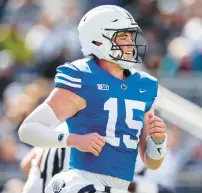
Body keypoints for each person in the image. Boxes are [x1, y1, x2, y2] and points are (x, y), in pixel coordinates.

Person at [18, 5, 167, 193]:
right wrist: (73, 140)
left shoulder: (144, 85)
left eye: (131, 36)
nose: (130, 43)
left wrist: (159, 141)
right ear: (98, 41)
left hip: (118, 187)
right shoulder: (83, 78)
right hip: (81, 183)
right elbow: (28, 130)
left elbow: (152, 163)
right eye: (122, 37)